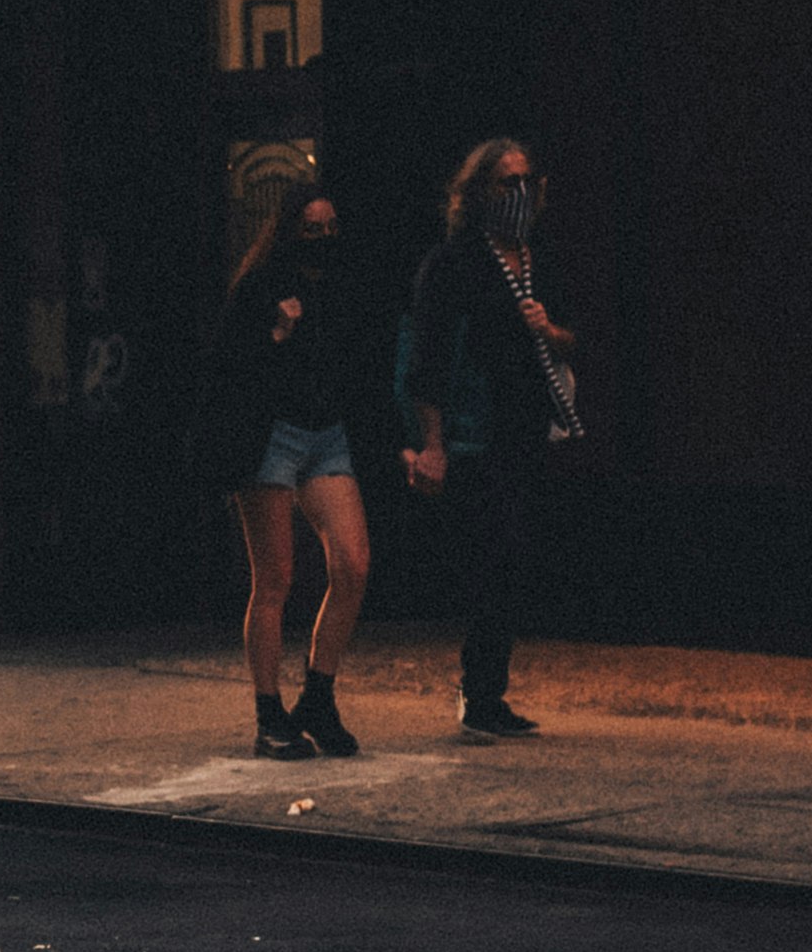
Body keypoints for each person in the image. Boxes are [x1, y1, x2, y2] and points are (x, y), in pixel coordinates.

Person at [396, 133, 581, 739]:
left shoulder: (538, 257)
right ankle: (479, 695)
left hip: (525, 426)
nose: (521, 194)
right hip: (476, 431)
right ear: (479, 193)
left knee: (516, 559)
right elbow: (425, 356)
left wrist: (547, 328)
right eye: (507, 183)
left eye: (528, 181)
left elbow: (574, 338)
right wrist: (432, 441)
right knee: (492, 558)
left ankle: (489, 692)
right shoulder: (454, 263)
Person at [195, 176, 369, 758]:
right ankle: (269, 716)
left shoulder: (342, 287)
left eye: (330, 228)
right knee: (274, 579)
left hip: (325, 435)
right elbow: (224, 365)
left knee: (353, 562)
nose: (322, 238)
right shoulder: (261, 285)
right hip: (270, 435)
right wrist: (276, 332)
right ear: (291, 231)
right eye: (311, 229)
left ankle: (318, 695)